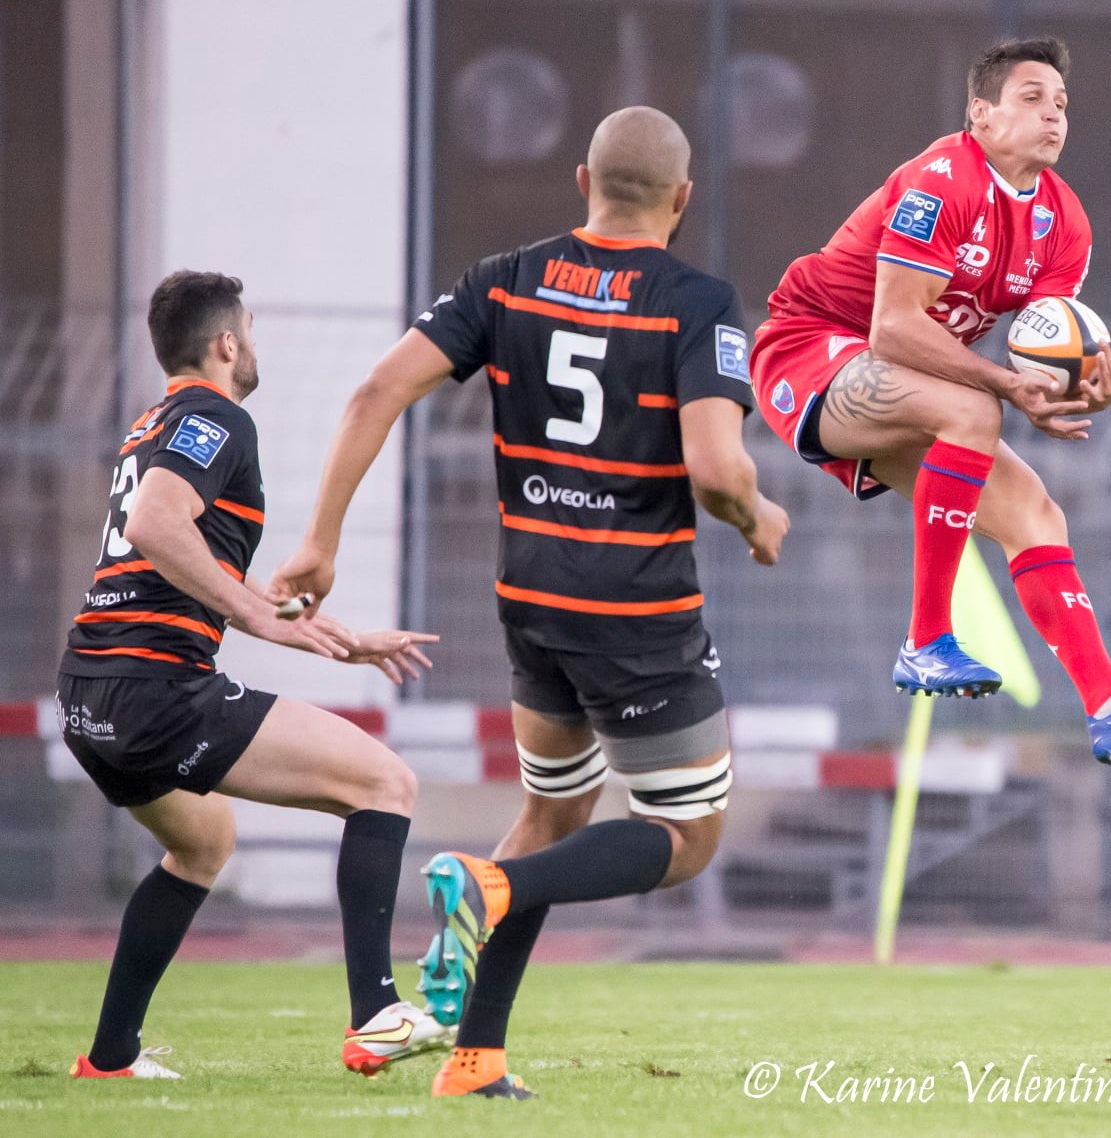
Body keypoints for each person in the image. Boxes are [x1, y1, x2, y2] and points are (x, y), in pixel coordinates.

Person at [271, 106, 787, 1100]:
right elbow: (718, 470)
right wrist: (758, 516)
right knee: (684, 838)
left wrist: (319, 541)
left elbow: (377, 390)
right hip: (636, 614)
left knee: (553, 812)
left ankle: (476, 1059)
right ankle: (487, 884)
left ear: (582, 181)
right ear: (683, 198)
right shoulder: (698, 302)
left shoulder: (503, 279)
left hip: (531, 601)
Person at [748, 37, 1111, 766]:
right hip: (808, 348)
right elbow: (892, 326)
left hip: (903, 378)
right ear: (980, 113)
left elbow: (1039, 349)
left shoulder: (1065, 223)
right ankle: (927, 640)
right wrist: (1004, 387)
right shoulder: (942, 180)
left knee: (1036, 511)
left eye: (1061, 103)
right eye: (1031, 98)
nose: (1053, 115)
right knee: (972, 410)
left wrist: (1080, 390)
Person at [60, 270, 445, 1081]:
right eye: (252, 334)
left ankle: (111, 1057)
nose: (255, 347)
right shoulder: (216, 416)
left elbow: (183, 563)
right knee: (384, 783)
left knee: (204, 843)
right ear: (227, 344)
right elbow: (156, 524)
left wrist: (323, 632)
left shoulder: (152, 426)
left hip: (90, 691)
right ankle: (376, 1015)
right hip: (156, 689)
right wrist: (259, 617)